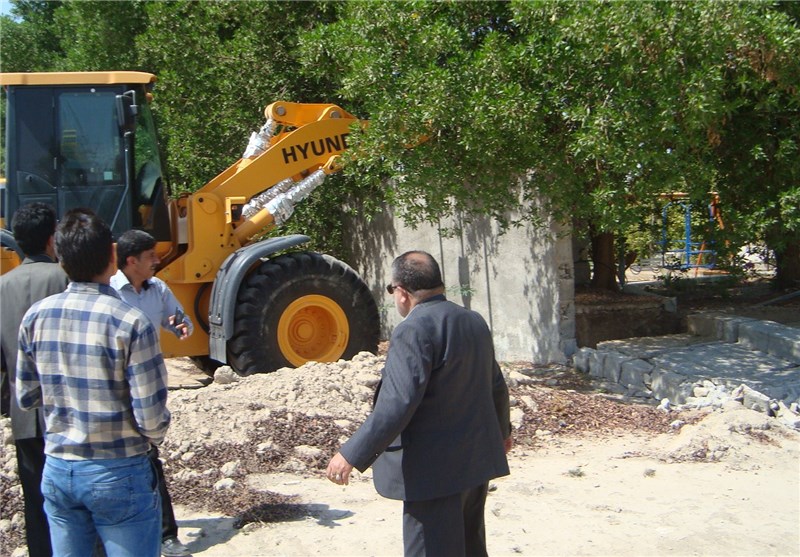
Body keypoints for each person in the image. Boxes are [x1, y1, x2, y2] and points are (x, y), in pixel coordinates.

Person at [326, 250, 513, 556]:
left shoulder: (412, 330)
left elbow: (397, 402)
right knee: (470, 547)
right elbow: (495, 384)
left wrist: (351, 453)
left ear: (401, 292)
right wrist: (502, 432)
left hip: (431, 473)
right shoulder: (473, 321)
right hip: (474, 461)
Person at [15, 208, 170, 557]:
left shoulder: (36, 316)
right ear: (113, 256)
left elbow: (26, 396)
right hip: (119, 469)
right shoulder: (131, 322)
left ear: (59, 255)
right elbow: (150, 415)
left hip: (58, 468)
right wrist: (153, 438)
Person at [110, 228, 192, 557]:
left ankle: (167, 535)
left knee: (150, 458)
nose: (157, 261)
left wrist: (181, 324)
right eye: (151, 257)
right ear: (131, 261)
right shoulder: (109, 293)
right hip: (116, 388)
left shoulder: (158, 289)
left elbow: (178, 319)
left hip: (148, 388)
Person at [0, 203, 69, 557]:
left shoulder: (1, 287)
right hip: (70, 415)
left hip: (25, 416)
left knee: (36, 503)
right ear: (50, 238)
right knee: (73, 505)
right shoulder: (65, 280)